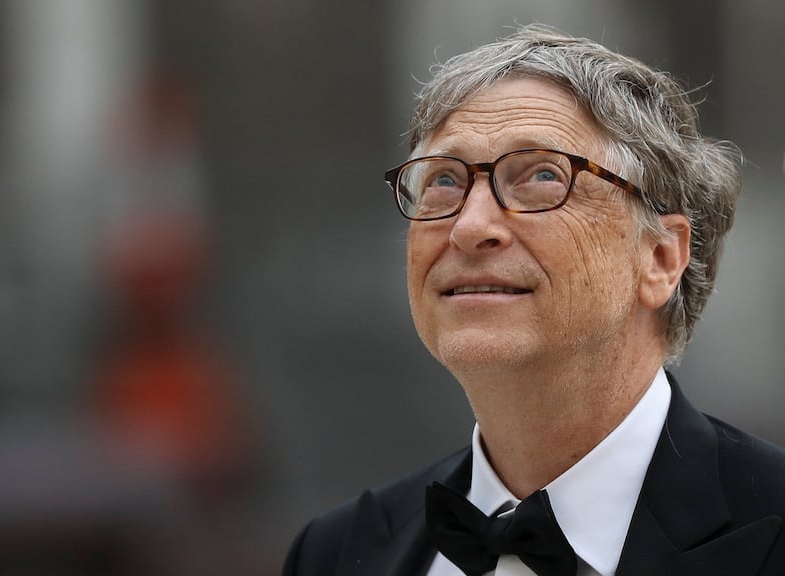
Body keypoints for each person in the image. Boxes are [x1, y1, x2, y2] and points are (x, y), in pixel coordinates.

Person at [283, 25, 785, 576]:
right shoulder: (332, 554)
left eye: (543, 175)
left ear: (661, 258)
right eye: (444, 181)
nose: (469, 227)